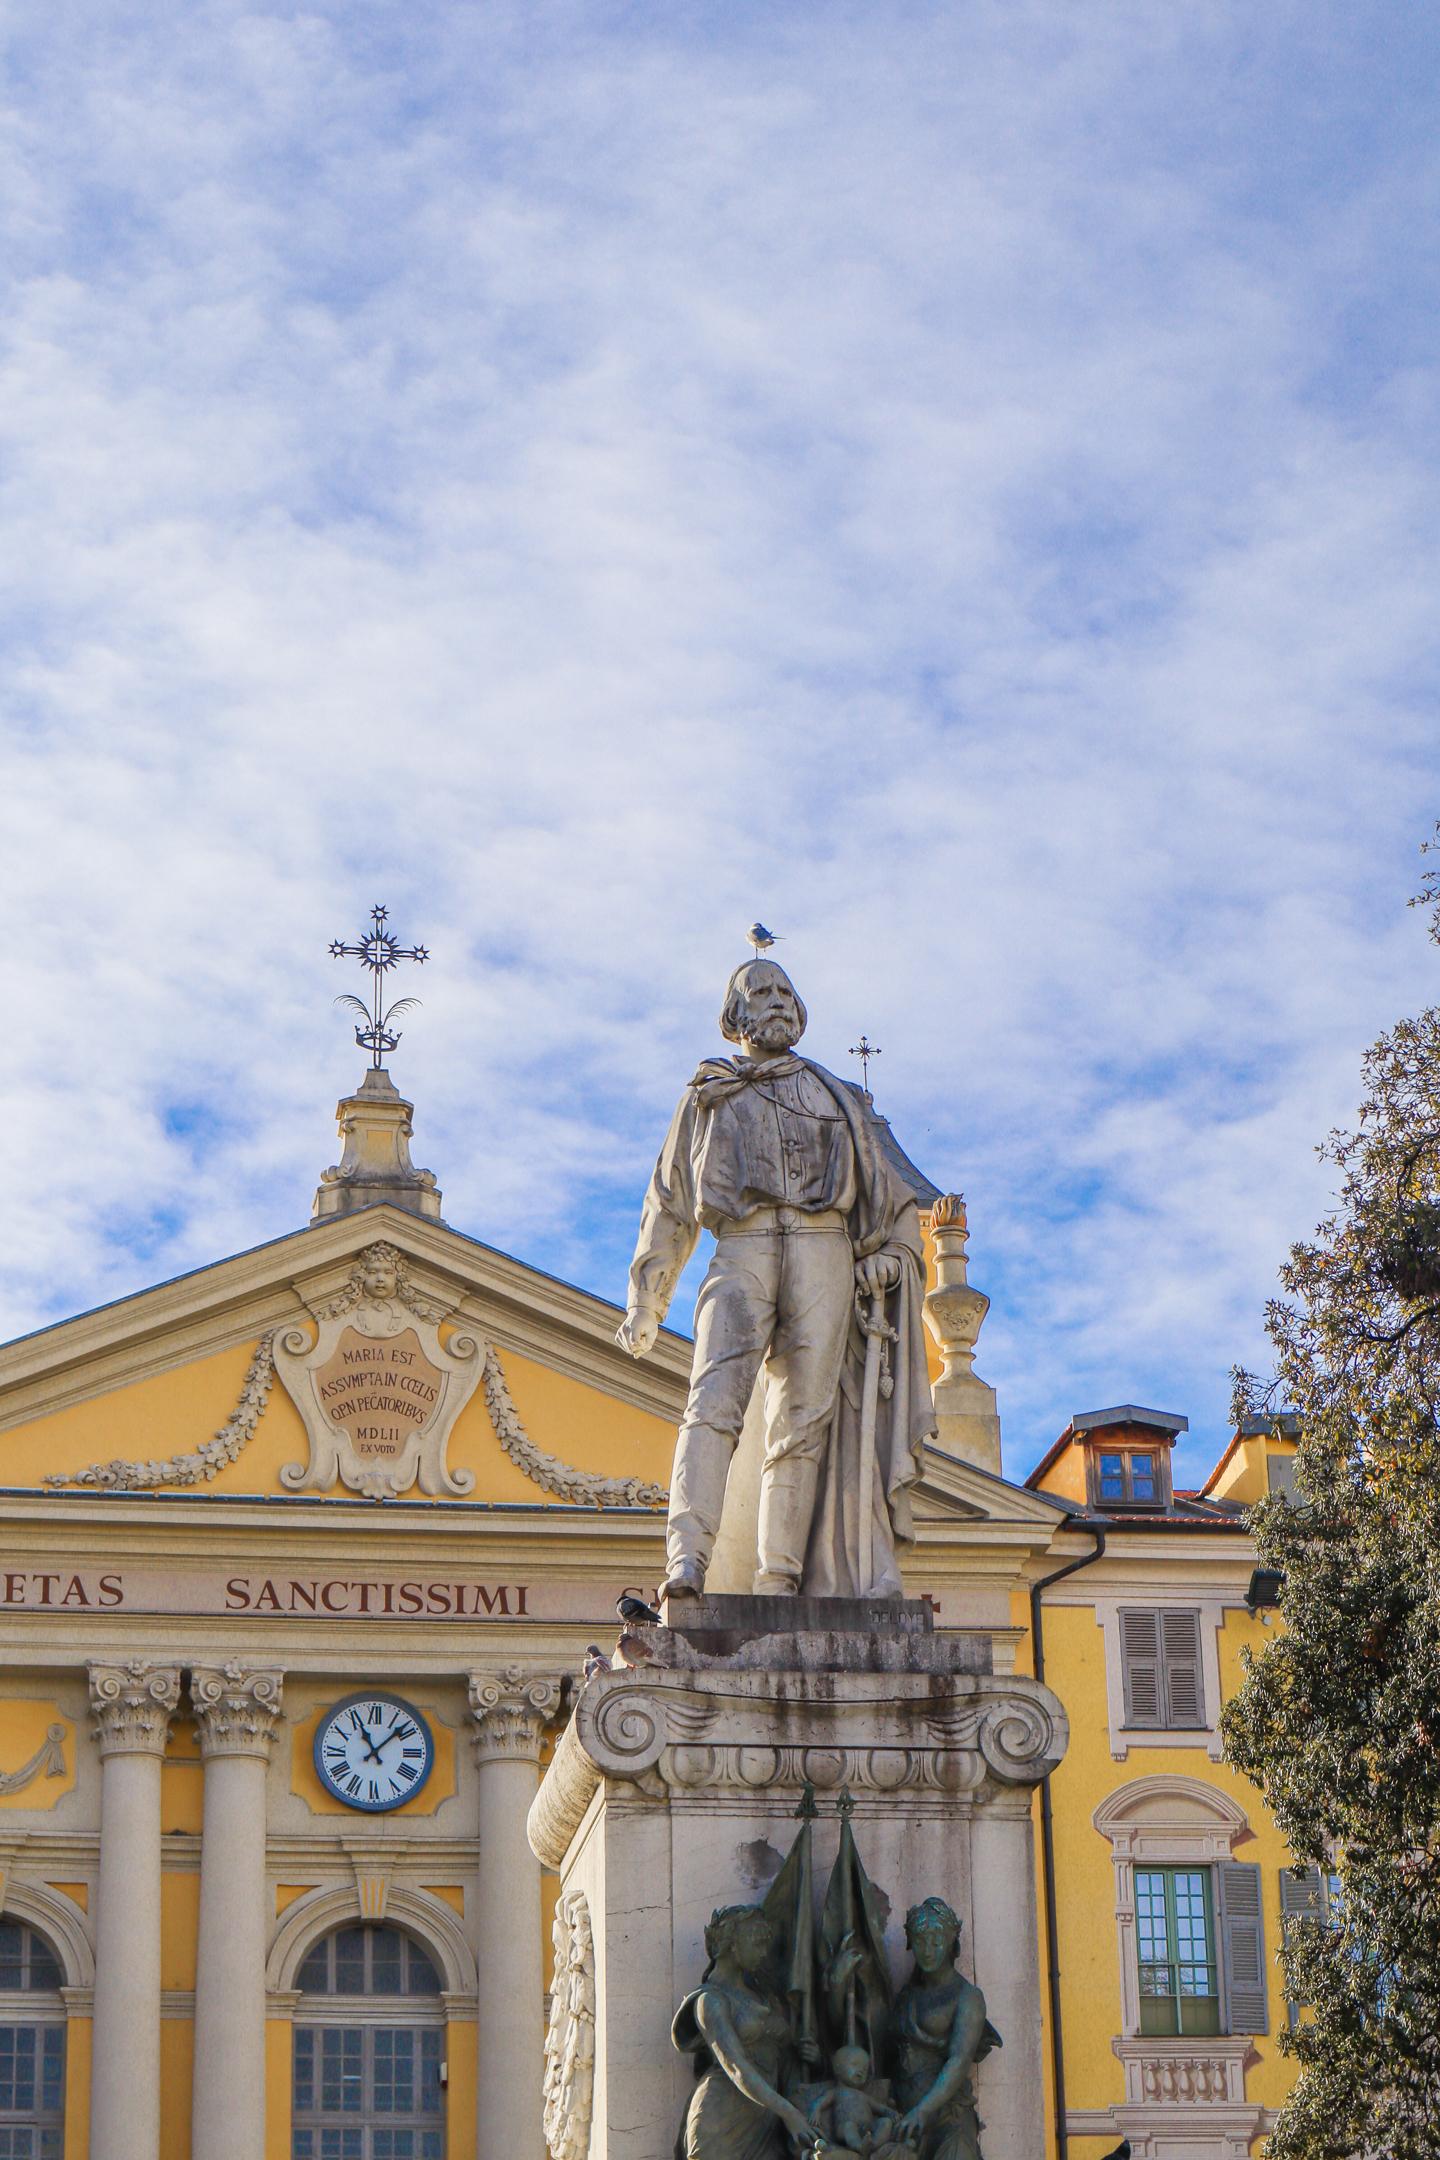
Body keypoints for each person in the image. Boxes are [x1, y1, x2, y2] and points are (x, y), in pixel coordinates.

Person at [618, 959, 937, 1600]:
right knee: (711, 1406)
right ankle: (687, 1563)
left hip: (824, 1249)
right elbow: (670, 1199)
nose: (779, 1002)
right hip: (742, 1245)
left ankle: (780, 1578)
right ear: (734, 1014)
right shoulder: (708, 1093)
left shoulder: (837, 1096)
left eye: (787, 991)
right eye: (762, 992)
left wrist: (887, 1254)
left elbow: (895, 1200)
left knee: (806, 1419)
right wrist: (648, 1300)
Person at [672, 1904, 826, 2160]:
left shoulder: (766, 1997)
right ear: (732, 1945)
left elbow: (785, 2060)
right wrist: (790, 2114)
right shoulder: (710, 2001)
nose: (765, 1953)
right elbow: (736, 2067)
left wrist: (812, 2057)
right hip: (722, 2119)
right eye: (757, 1943)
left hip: (766, 2121)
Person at [887, 1900, 998, 2160]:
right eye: (921, 1941)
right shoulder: (907, 1995)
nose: (928, 1950)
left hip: (947, 2119)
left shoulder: (967, 1997)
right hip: (903, 2115)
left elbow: (959, 2060)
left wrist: (923, 2111)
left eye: (936, 1942)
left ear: (951, 1944)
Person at [805, 2044, 907, 2160]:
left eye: (865, 2069)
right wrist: (816, 2110)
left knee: (885, 2122)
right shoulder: (837, 2092)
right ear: (837, 2068)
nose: (861, 2071)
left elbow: (880, 2108)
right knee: (849, 2126)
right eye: (855, 2065)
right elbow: (820, 2101)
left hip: (867, 2129)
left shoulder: (864, 2096)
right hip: (845, 2128)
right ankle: (859, 2146)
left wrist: (891, 2113)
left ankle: (873, 2144)